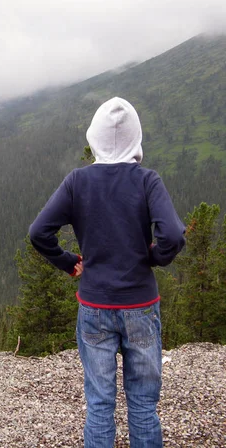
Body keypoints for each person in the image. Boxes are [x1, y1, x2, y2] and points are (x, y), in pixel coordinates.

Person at [28, 97, 185, 448]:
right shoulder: (147, 181)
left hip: (94, 307)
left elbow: (39, 232)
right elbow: (173, 235)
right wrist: (156, 257)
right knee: (143, 404)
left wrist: (68, 262)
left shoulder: (76, 182)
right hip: (141, 306)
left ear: (94, 136)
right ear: (135, 138)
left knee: (99, 404)